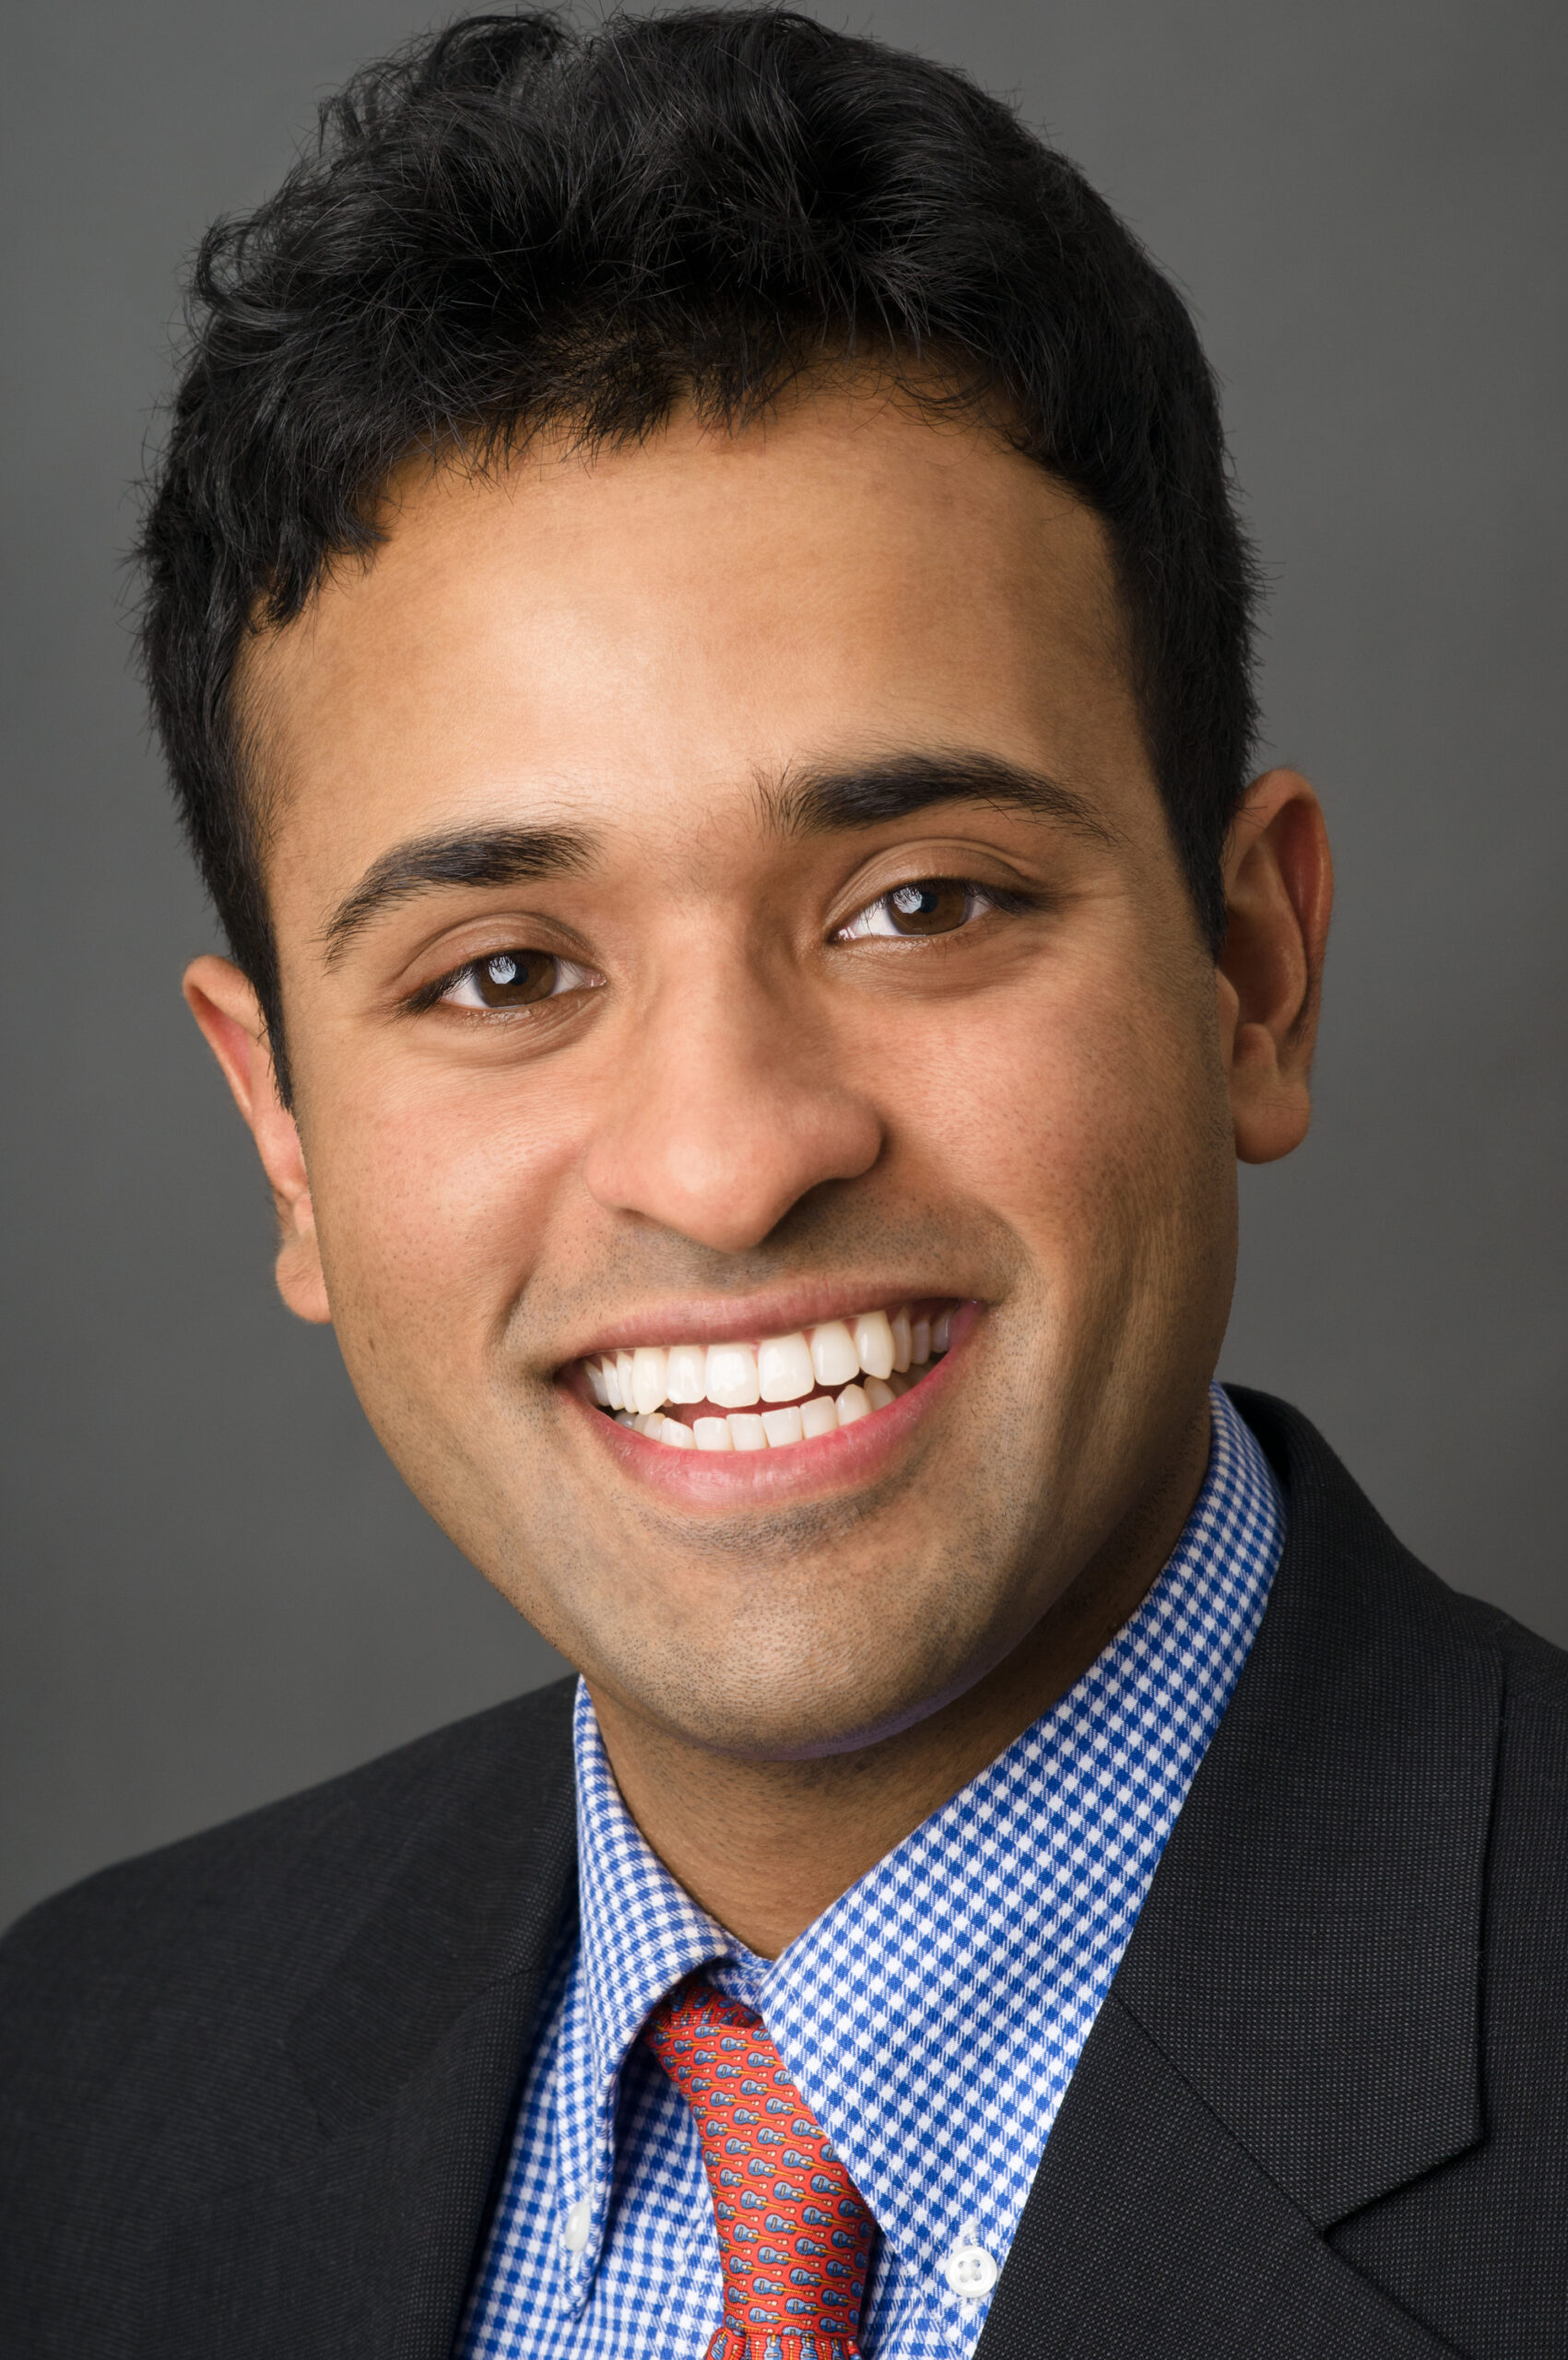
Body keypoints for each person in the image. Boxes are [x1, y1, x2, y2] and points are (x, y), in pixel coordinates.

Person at [1, 9, 1562, 2354]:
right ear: (285, 1135)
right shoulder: (76, 2083)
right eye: (504, 966)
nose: (730, 1165)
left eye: (918, 901)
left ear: (1250, 968)